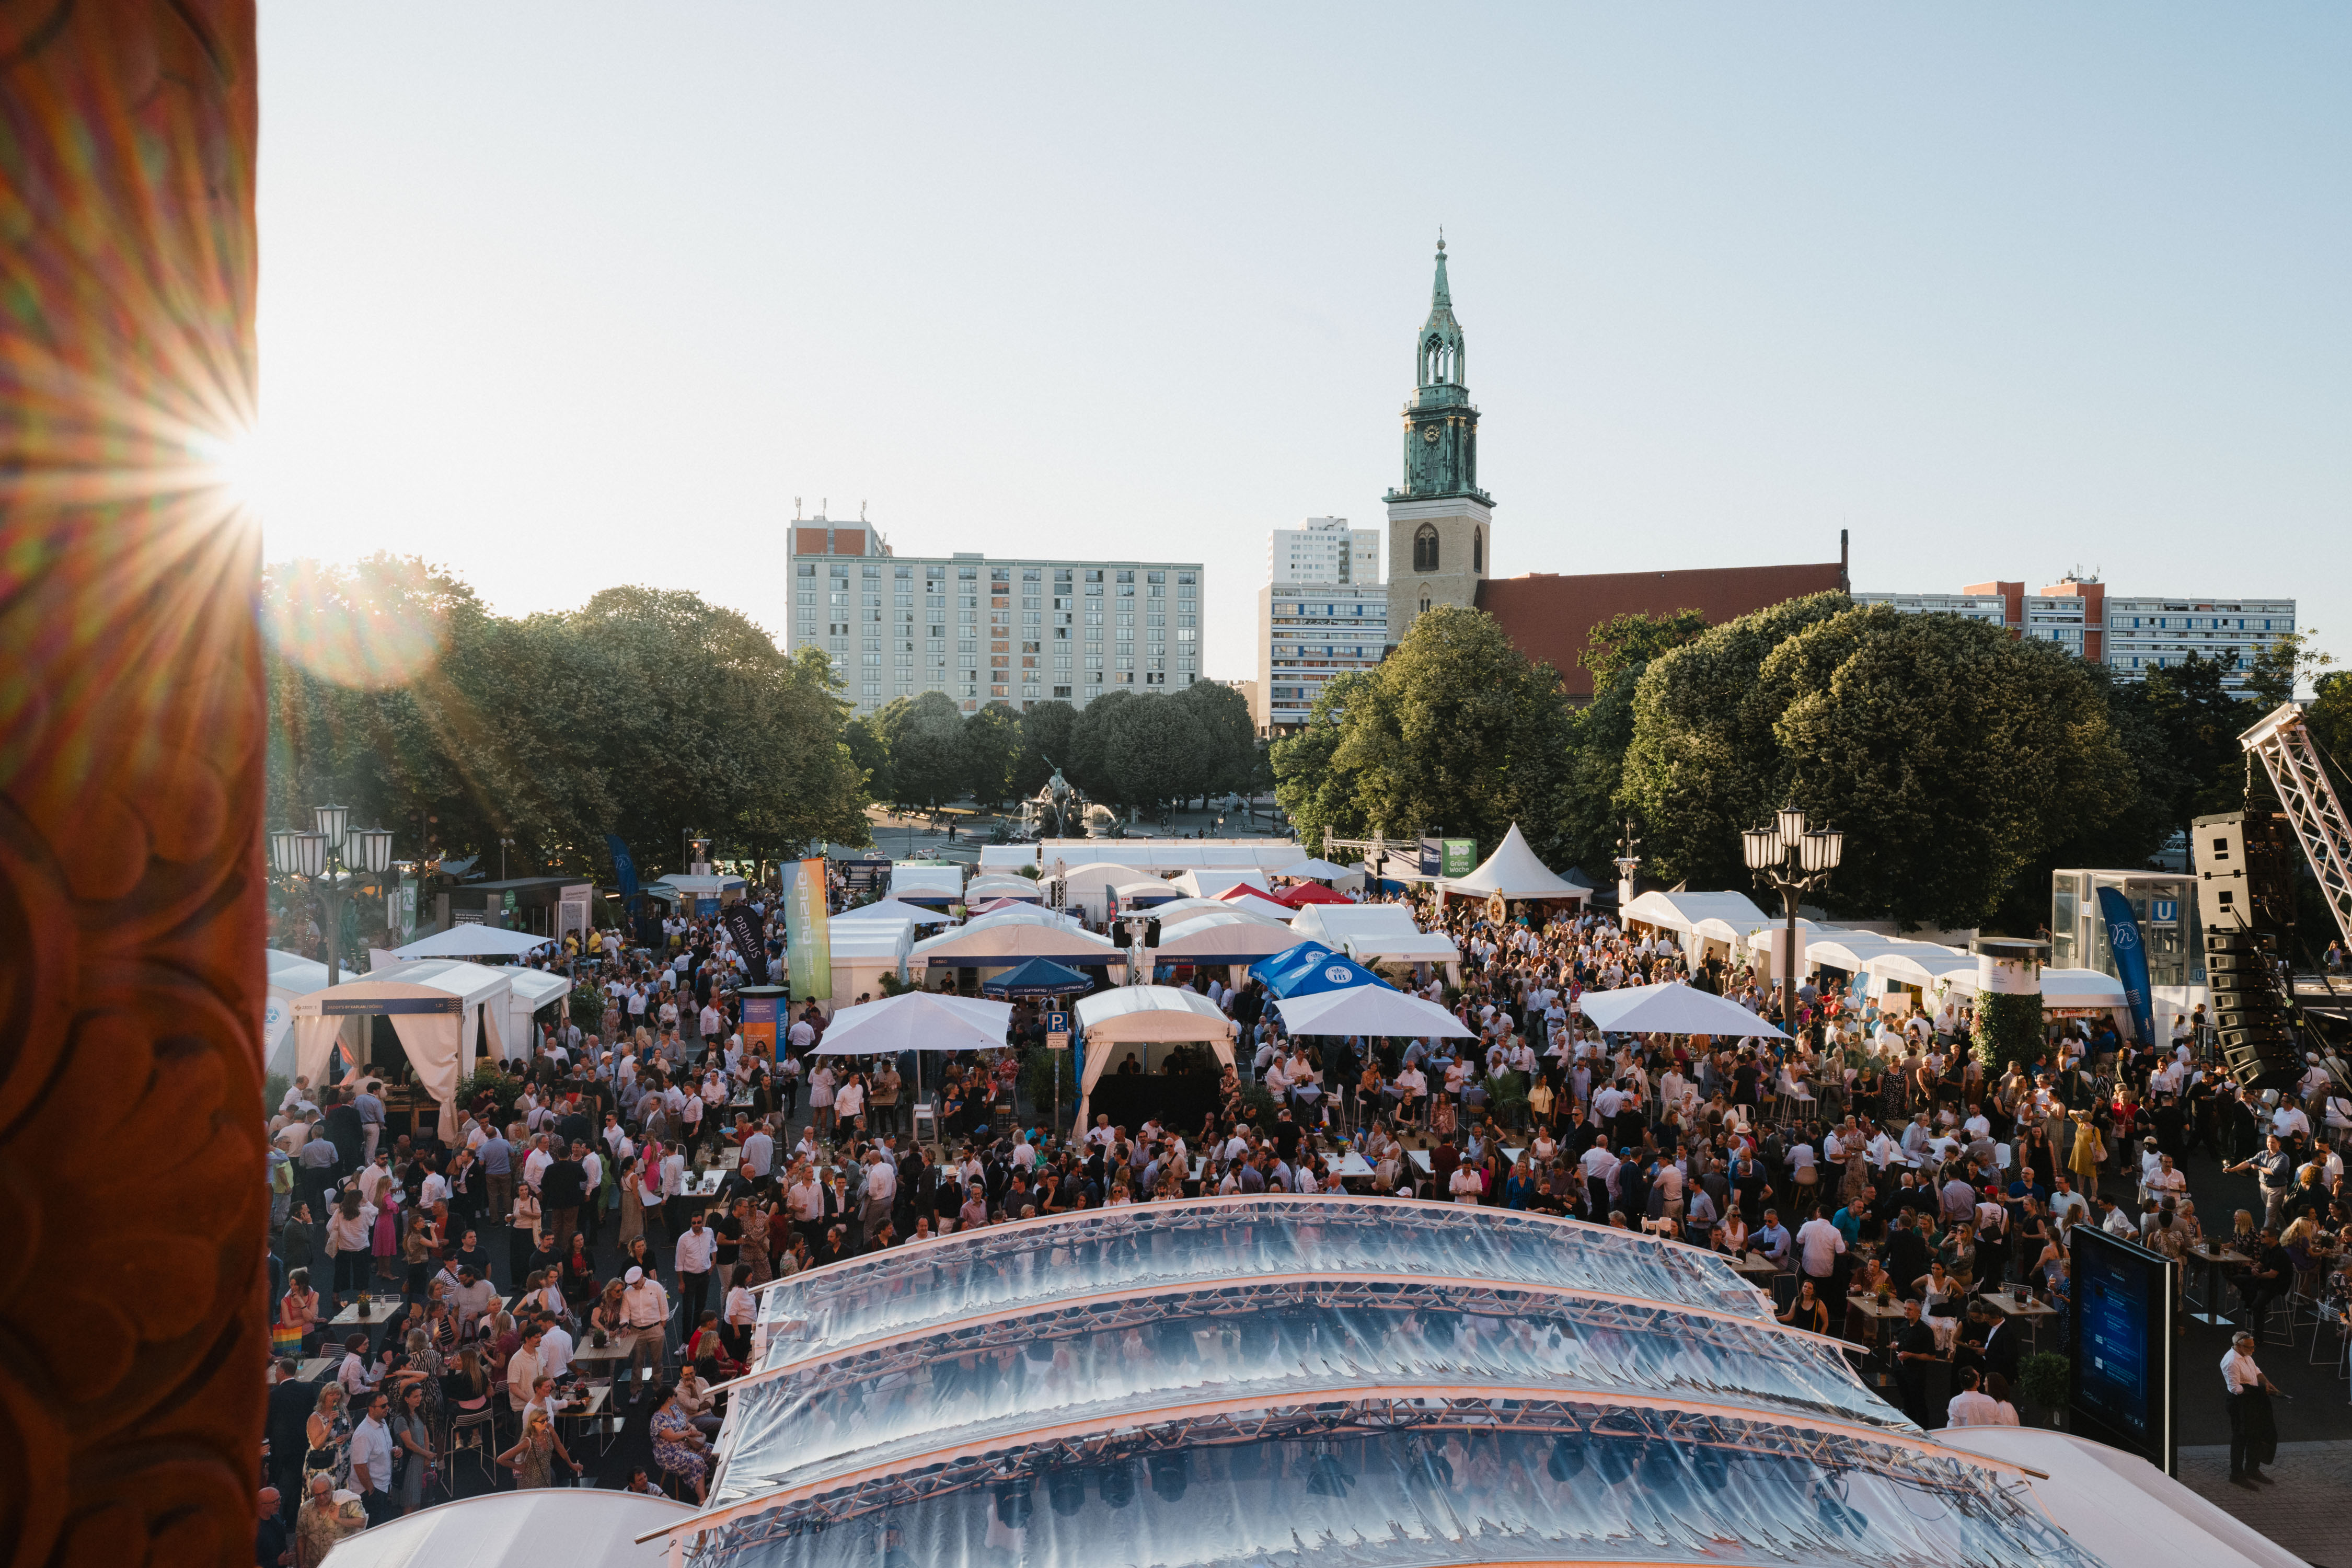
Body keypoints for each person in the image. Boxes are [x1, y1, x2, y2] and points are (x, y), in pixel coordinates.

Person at [2221, 1332, 2280, 1489]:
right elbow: (2235, 1389)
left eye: (2253, 1347)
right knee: (2240, 1438)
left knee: (2256, 1435)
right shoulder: (2231, 1362)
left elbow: (2256, 1371)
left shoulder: (2247, 1355)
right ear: (2238, 1346)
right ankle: (2236, 1474)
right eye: (2249, 1347)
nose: (2253, 1350)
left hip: (2252, 1401)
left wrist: (2267, 1383)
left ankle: (2252, 1469)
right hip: (2240, 1403)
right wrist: (2260, 1391)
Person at [650, 1382, 712, 1502]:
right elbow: (672, 1437)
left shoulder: (674, 1408)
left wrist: (691, 1426)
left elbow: (685, 1421)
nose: (677, 1397)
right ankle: (703, 1501)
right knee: (697, 1462)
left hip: (686, 1445)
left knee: (712, 1451)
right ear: (669, 1399)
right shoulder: (658, 1418)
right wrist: (689, 1433)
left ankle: (711, 1486)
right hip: (669, 1455)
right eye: (676, 1395)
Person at [498, 1406, 583, 1489]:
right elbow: (501, 1459)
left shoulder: (549, 1429)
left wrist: (571, 1464)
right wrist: (518, 1467)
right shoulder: (527, 1442)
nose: (546, 1423)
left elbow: (559, 1447)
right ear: (533, 1423)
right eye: (542, 1421)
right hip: (530, 1483)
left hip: (546, 1478)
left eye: (547, 1419)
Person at [347, 1391, 397, 1524]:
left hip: (383, 1486)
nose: (387, 1408)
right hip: (371, 1491)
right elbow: (360, 1466)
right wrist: (371, 1491)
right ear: (371, 1408)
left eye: (388, 1404)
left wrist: (394, 1451)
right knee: (374, 1528)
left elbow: (381, 1450)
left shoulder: (383, 1423)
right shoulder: (364, 1433)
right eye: (383, 1406)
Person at [389, 1380, 434, 1516]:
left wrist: (427, 1456)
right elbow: (409, 1444)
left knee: (417, 1500)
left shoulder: (418, 1414)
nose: (419, 1399)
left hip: (420, 1461)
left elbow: (426, 1435)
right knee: (409, 1502)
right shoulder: (401, 1419)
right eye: (415, 1396)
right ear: (406, 1399)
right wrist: (427, 1454)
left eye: (420, 1395)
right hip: (409, 1463)